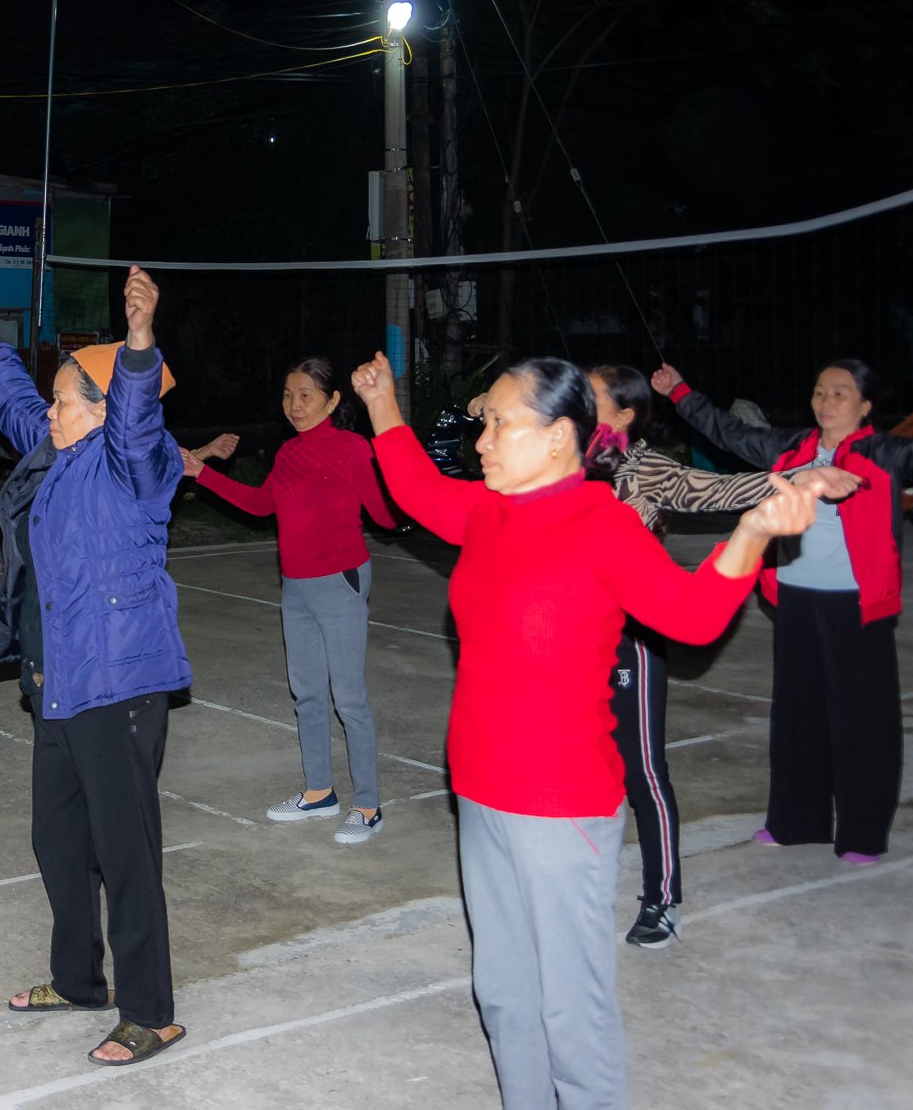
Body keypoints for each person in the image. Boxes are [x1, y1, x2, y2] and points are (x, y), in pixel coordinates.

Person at [350, 350, 817, 1110]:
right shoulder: (488, 511)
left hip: (561, 807)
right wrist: (381, 404)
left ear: (559, 436)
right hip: (480, 795)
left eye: (499, 424)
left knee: (571, 1008)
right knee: (504, 994)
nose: (481, 440)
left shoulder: (602, 524)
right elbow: (415, 488)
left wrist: (754, 533)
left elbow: (692, 616)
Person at [654, 359, 913, 863]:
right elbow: (727, 430)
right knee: (797, 716)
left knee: (862, 721)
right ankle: (795, 821)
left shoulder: (883, 452)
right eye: (820, 391)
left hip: (856, 607)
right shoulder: (791, 449)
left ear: (865, 406)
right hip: (794, 599)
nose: (826, 401)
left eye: (840, 392)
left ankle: (861, 833)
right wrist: (678, 390)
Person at [0, 269, 192, 1070]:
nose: (51, 411)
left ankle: (151, 1011)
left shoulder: (137, 463)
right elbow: (16, 407)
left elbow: (135, 414)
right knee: (59, 839)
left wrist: (138, 340)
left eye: (65, 400)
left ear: (102, 410)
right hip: (58, 681)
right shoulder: (58, 454)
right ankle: (78, 980)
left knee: (125, 852)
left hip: (118, 686)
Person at [580, 364, 862, 948]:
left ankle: (662, 899)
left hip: (631, 634)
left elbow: (721, 489)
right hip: (570, 635)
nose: (577, 400)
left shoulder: (645, 467)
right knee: (576, 763)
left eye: (592, 395)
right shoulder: (567, 460)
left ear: (624, 414)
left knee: (642, 770)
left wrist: (802, 477)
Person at [179, 357, 397, 843]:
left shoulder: (353, 448)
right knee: (307, 692)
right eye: (287, 395)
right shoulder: (289, 453)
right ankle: (320, 792)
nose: (294, 405)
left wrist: (398, 473)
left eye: (305, 395)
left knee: (349, 697)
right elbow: (262, 505)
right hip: (296, 585)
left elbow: (385, 517)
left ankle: (368, 805)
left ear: (332, 401)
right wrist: (201, 473)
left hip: (339, 581)